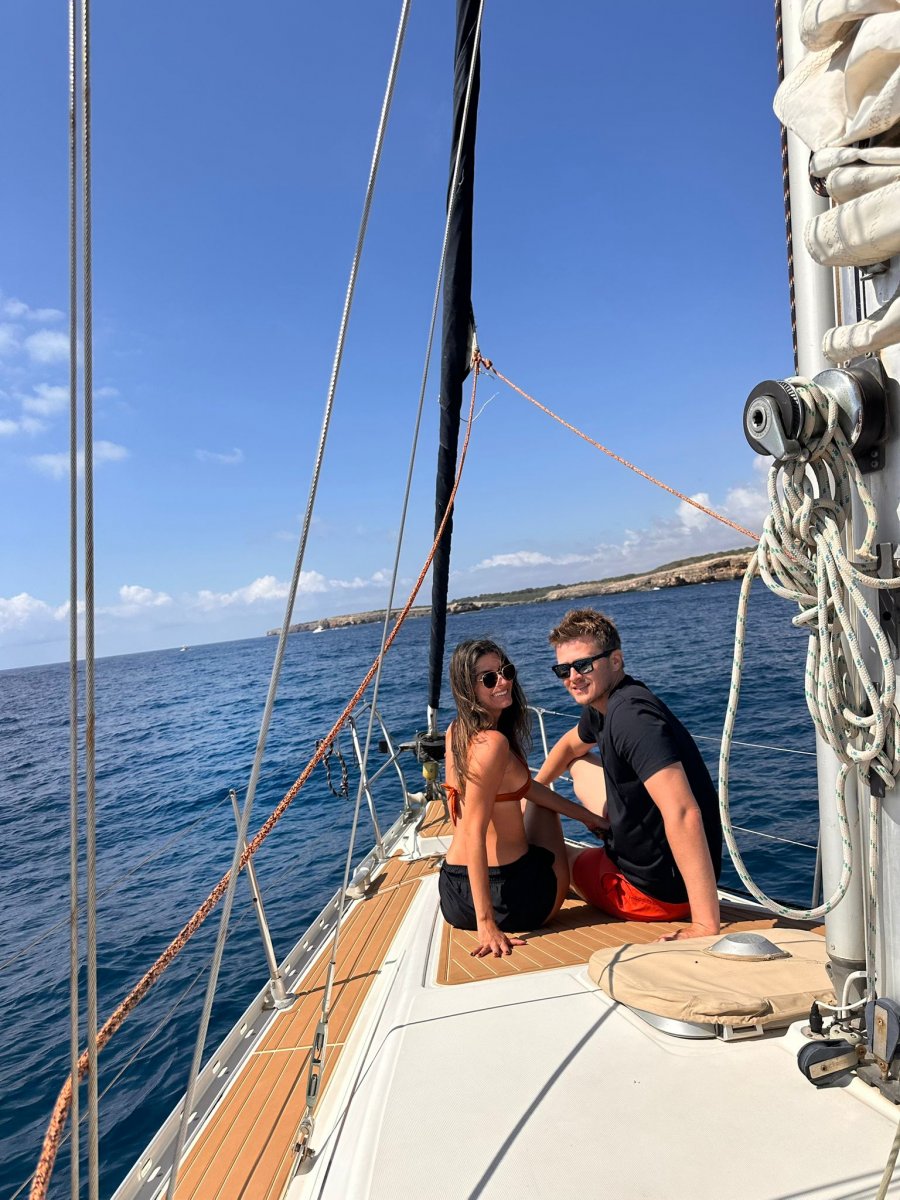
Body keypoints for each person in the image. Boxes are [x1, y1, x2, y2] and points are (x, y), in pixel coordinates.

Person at [535, 609, 722, 941]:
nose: (573, 677)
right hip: (644, 847)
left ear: (615, 660)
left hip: (653, 893)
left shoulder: (632, 718)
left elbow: (683, 812)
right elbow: (569, 747)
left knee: (553, 855)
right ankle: (606, 829)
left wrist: (705, 925)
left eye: (584, 665)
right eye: (564, 669)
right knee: (578, 762)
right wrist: (536, 788)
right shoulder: (606, 703)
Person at [439, 638, 605, 958]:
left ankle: (572, 855)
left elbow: (524, 788)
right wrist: (487, 924)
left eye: (506, 671)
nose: (503, 682)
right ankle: (577, 871)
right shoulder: (493, 744)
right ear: (467, 687)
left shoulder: (456, 730)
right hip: (512, 900)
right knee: (544, 809)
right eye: (489, 678)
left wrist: (587, 817)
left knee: (533, 799)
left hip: (453, 894)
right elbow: (474, 831)